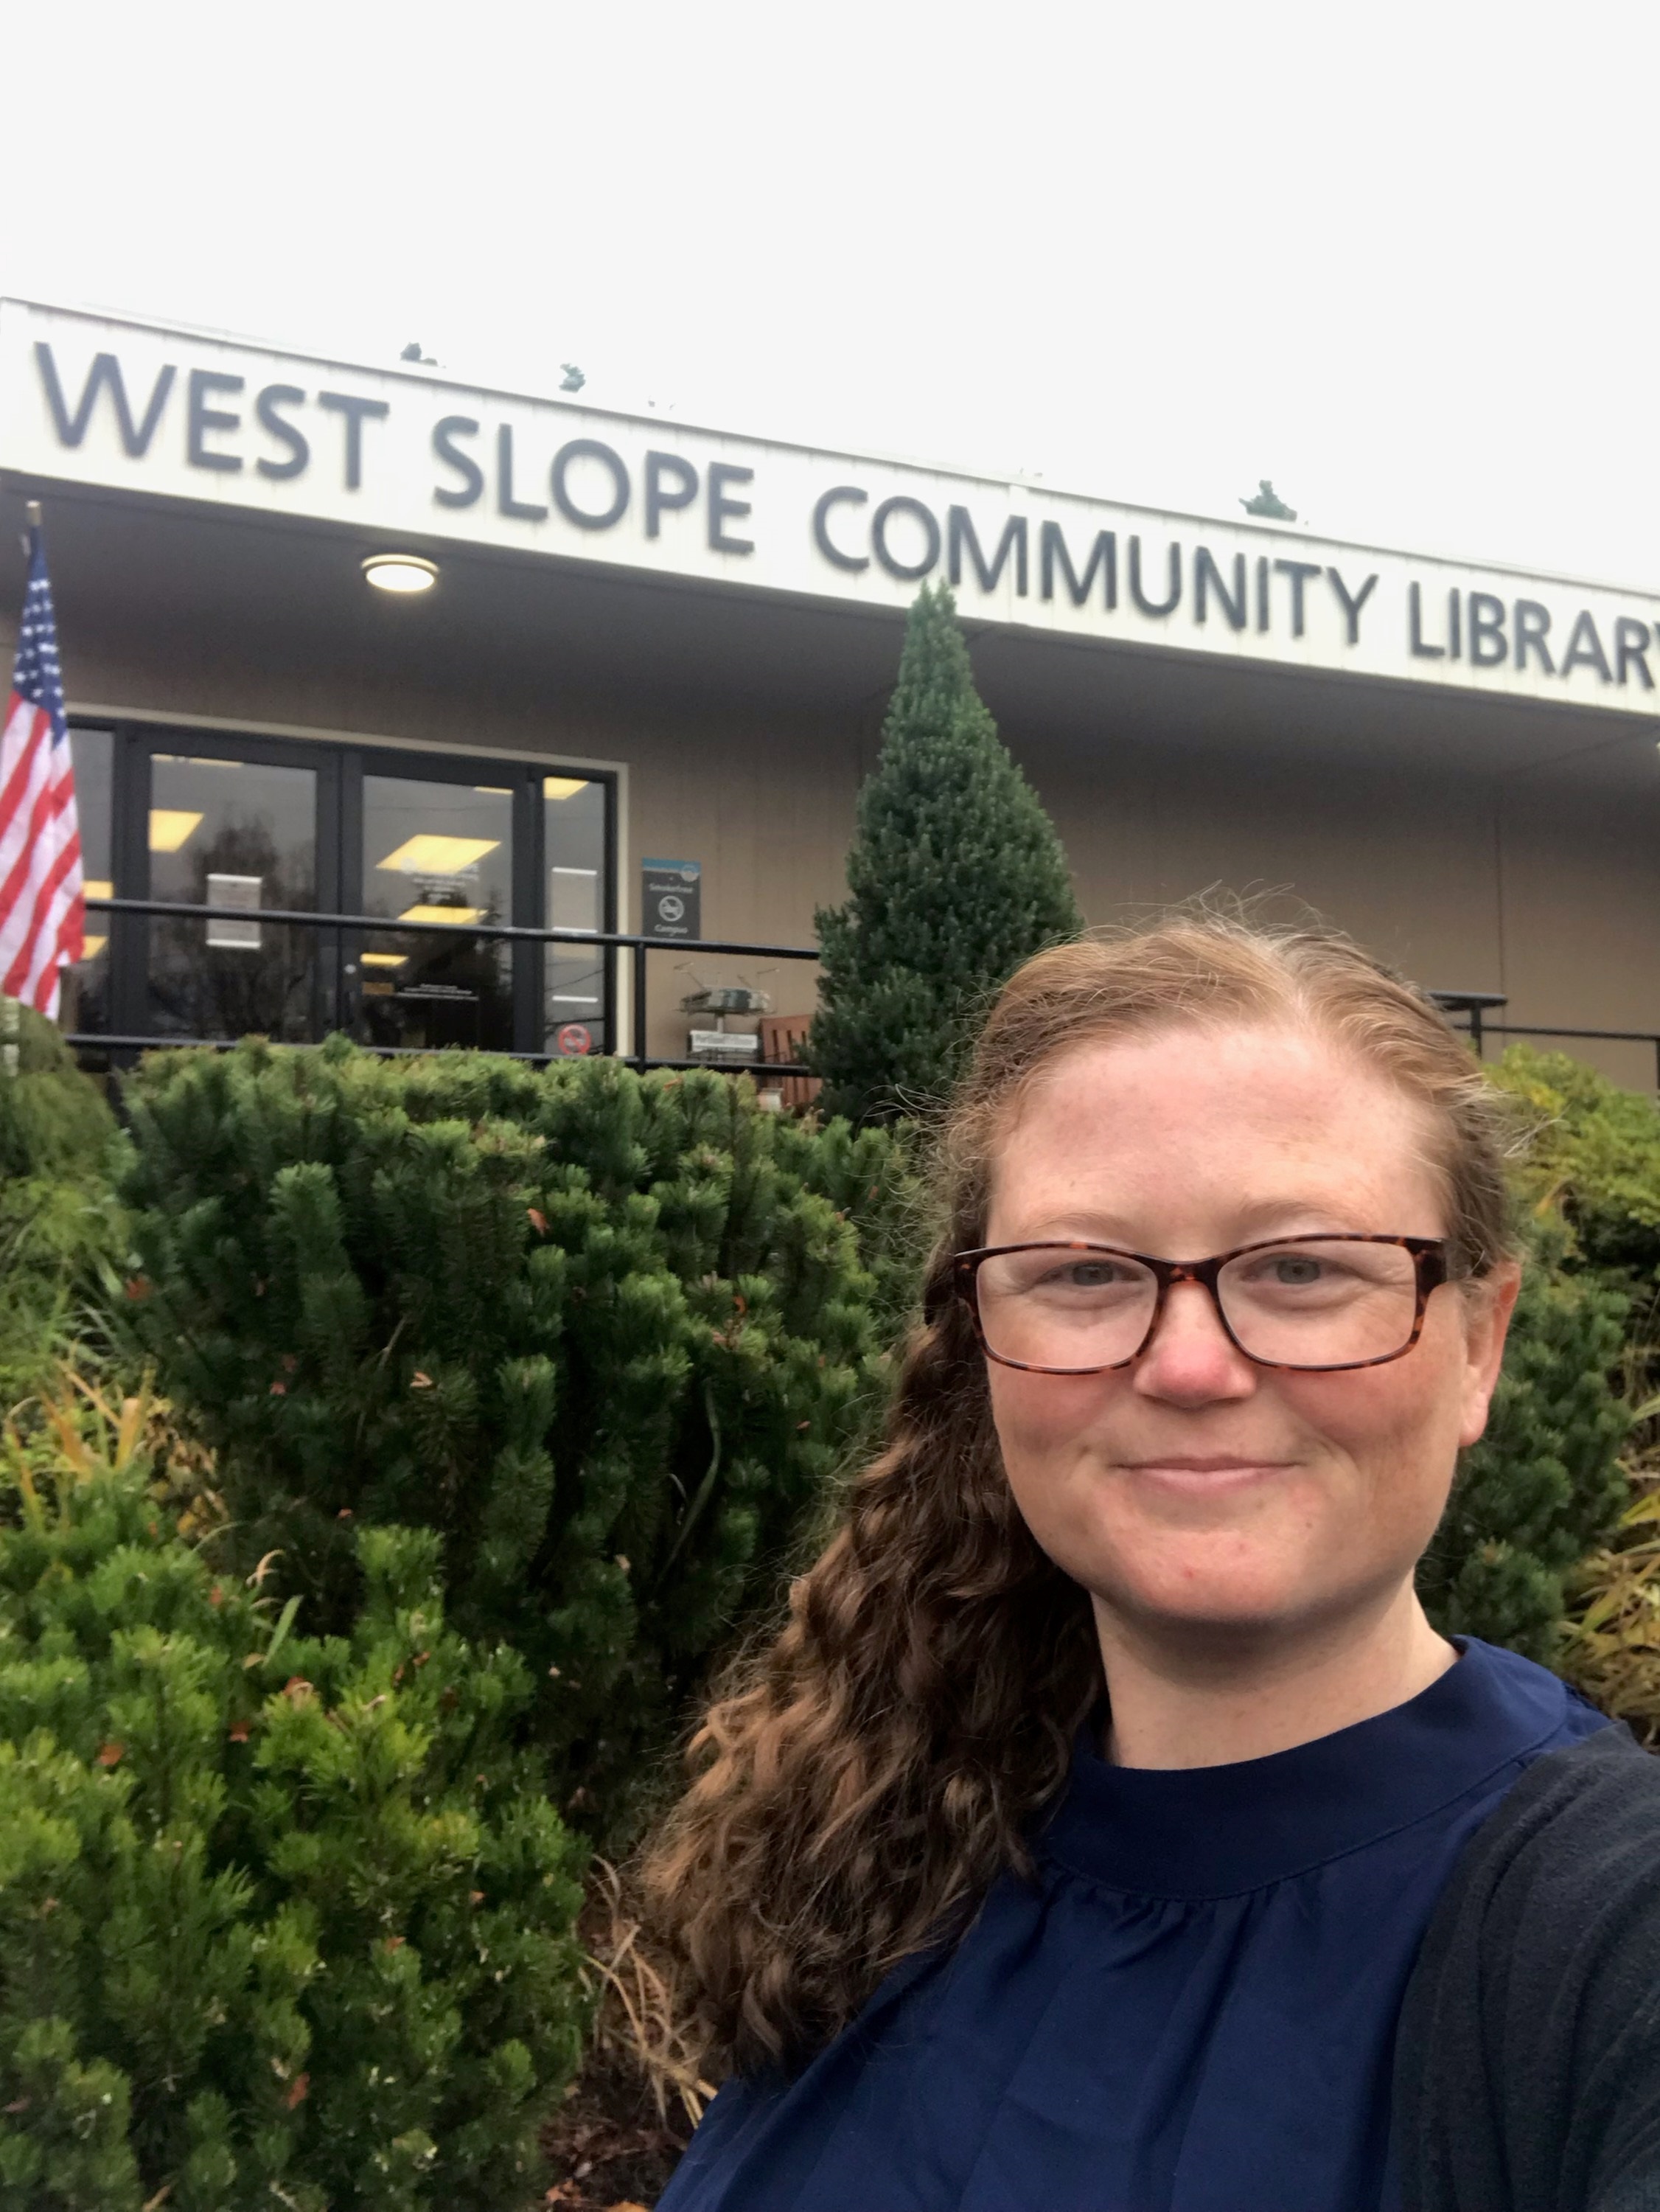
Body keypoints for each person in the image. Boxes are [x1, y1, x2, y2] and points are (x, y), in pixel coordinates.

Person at [644, 917, 1660, 2212]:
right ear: (981, 1336)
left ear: (1478, 1345)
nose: (1188, 1367)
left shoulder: (1608, 1940)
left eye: (1301, 1267)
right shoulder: (883, 1840)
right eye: (1083, 1271)